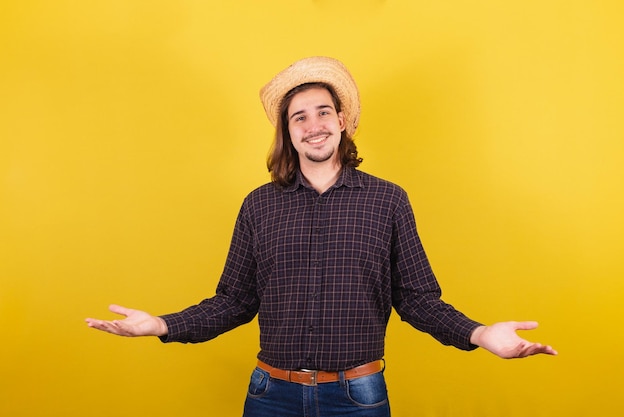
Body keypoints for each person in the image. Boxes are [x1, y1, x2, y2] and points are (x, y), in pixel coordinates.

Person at [86, 56, 557, 417]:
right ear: (287, 133)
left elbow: (417, 300)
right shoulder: (259, 205)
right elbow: (233, 301)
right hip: (270, 395)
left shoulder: (388, 201)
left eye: (323, 112)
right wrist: (161, 325)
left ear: (343, 121)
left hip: (358, 397)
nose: (314, 126)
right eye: (299, 118)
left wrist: (479, 334)